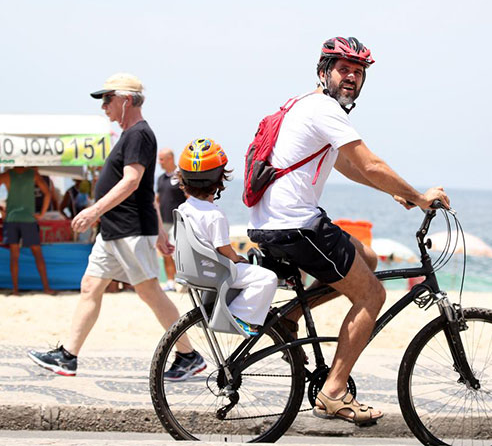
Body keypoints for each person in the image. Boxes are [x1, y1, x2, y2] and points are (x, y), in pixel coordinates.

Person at [247, 36, 450, 425]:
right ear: (324, 72)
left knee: (367, 258)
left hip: (279, 221)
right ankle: (334, 392)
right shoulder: (325, 109)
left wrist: (397, 193)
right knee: (373, 294)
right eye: (343, 69)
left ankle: (289, 319)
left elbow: (346, 165)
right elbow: (369, 162)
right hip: (296, 225)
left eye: (358, 72)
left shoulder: (306, 106)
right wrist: (421, 197)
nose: (351, 77)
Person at [27, 73, 202, 379]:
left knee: (150, 293)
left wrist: (93, 210)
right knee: (90, 287)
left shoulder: (139, 134)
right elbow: (148, 192)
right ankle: (68, 356)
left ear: (127, 100)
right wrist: (160, 231)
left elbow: (133, 182)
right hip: (116, 230)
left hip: (130, 229)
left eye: (108, 99)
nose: (104, 106)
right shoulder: (130, 135)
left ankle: (188, 354)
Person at [177, 138, 278, 337]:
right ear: (218, 180)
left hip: (196, 268)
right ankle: (239, 316)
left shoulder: (184, 208)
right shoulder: (214, 214)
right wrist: (236, 258)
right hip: (215, 271)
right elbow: (223, 248)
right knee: (267, 278)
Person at [0, 167, 57, 295]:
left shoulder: (7, 175)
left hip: (11, 218)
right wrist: (42, 213)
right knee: (38, 254)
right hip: (28, 218)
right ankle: (46, 288)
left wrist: (2, 210)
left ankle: (15, 290)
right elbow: (47, 193)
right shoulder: (33, 174)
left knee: (14, 256)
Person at [156, 148, 187, 292]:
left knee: (180, 253)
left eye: (161, 159)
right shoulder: (161, 179)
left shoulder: (181, 176)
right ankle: (170, 281)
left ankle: (184, 282)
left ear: (170, 158)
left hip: (178, 221)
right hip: (164, 221)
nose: (159, 162)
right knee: (165, 252)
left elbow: (189, 197)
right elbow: (158, 199)